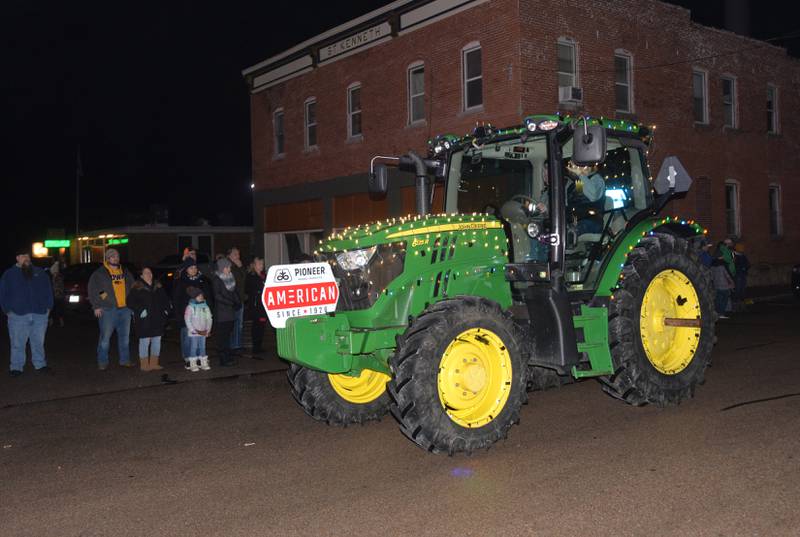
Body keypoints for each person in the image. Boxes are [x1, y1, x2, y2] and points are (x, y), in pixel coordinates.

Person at [0, 249, 53, 376]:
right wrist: (8, 310)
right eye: (23, 256)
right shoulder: (9, 274)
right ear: (17, 258)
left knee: (38, 342)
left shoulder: (40, 273)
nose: (27, 258)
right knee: (17, 343)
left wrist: (48, 308)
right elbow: (3, 294)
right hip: (18, 315)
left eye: (28, 256)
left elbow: (48, 290)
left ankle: (40, 364)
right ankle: (16, 367)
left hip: (39, 314)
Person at [88, 248, 135, 370]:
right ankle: (102, 361)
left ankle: (125, 360)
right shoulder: (99, 273)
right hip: (108, 309)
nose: (116, 258)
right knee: (105, 338)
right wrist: (97, 305)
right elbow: (95, 290)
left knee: (125, 338)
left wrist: (133, 302)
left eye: (117, 256)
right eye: (113, 256)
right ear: (107, 259)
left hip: (125, 309)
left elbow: (133, 286)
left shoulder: (124, 271)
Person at [127, 267, 171, 372]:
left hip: (157, 318)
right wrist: (139, 310)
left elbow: (165, 300)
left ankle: (154, 363)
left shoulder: (158, 286)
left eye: (150, 272)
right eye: (146, 273)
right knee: (145, 341)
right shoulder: (137, 288)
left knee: (156, 341)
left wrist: (166, 311)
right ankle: (144, 364)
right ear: (141, 276)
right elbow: (129, 302)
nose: (149, 274)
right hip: (144, 320)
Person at [173, 257, 213, 369]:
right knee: (187, 338)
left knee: (200, 339)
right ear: (186, 269)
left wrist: (209, 311)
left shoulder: (201, 280)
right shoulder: (181, 281)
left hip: (200, 316)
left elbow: (208, 296)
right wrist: (178, 315)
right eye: (191, 267)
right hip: (186, 315)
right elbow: (176, 298)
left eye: (195, 267)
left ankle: (199, 358)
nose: (194, 269)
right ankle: (188, 359)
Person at [212, 258, 241, 367]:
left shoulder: (230, 278)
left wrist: (238, 301)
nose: (230, 269)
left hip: (229, 313)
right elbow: (217, 296)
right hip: (222, 313)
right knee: (222, 337)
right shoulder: (217, 280)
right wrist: (230, 303)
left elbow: (234, 292)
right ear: (222, 268)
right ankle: (223, 359)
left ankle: (228, 356)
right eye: (228, 267)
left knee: (228, 336)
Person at [184, 287, 213, 372]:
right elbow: (187, 319)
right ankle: (193, 363)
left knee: (202, 347)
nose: (201, 297)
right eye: (199, 295)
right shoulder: (190, 307)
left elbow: (209, 318)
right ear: (194, 297)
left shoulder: (205, 306)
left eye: (201, 295)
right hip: (194, 332)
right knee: (194, 347)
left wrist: (208, 329)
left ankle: (203, 362)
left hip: (203, 332)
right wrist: (192, 330)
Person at [245, 257, 267, 357]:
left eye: (262, 264)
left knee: (262, 324)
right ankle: (255, 346)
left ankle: (259, 345)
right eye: (259, 264)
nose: (261, 266)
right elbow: (248, 289)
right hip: (255, 304)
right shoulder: (251, 276)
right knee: (256, 325)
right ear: (254, 265)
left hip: (263, 304)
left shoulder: (264, 275)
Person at [227, 247, 246, 354]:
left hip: (240, 298)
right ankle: (233, 345)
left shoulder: (237, 267)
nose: (238, 256)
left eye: (238, 254)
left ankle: (237, 345)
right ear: (230, 255)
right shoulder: (228, 266)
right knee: (234, 323)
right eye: (235, 254)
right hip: (233, 300)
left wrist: (241, 267)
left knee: (239, 323)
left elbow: (244, 279)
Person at [711, 242, 735, 319]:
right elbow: (727, 275)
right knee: (724, 300)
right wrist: (732, 283)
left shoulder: (713, 265)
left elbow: (712, 276)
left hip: (716, 285)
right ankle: (721, 313)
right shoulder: (723, 264)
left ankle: (717, 313)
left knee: (718, 300)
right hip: (724, 285)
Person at [49, 260, 65, 328]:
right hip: (54, 296)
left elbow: (59, 287)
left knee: (59, 309)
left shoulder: (59, 278)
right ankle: (52, 320)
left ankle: (61, 321)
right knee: (53, 309)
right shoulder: (52, 278)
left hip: (58, 296)